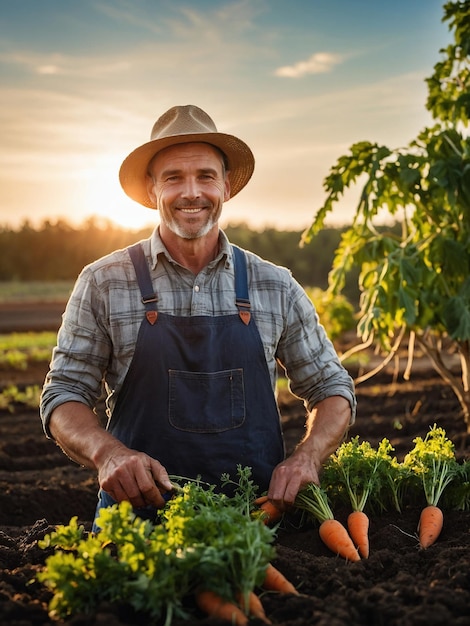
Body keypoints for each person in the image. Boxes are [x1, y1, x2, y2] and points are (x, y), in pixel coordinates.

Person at [40, 104, 356, 527]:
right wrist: (108, 453)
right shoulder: (104, 282)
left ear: (226, 185)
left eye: (205, 176)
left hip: (255, 529)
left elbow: (332, 387)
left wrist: (307, 458)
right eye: (173, 178)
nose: (192, 192)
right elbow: (63, 394)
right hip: (139, 530)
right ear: (152, 189)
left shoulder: (274, 285)